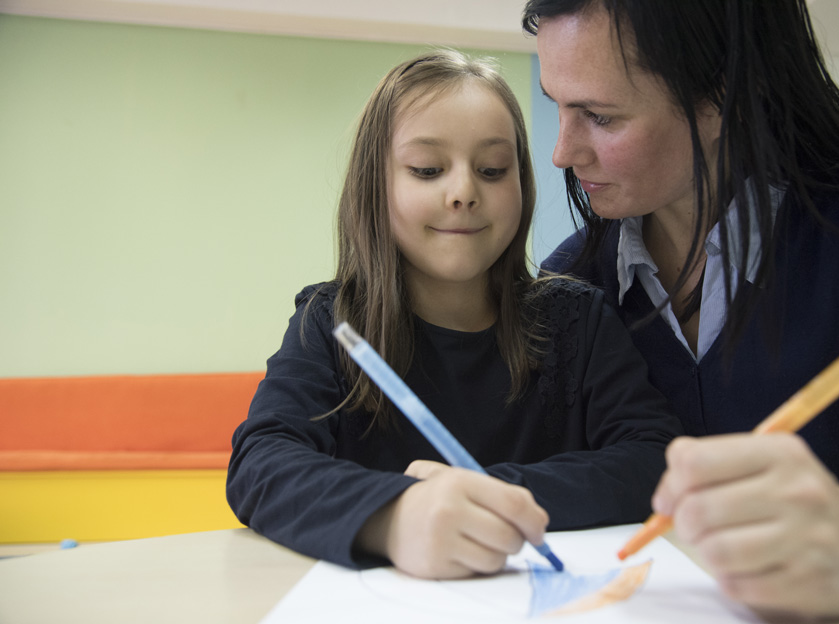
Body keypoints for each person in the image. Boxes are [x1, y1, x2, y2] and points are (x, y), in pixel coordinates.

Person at [521, 0, 839, 618]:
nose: (561, 152)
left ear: (722, 95)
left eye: (600, 116)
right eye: (556, 103)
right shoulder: (570, 284)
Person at [226, 49, 681, 580]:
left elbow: (654, 458)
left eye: (492, 169)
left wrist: (490, 494)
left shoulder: (577, 319)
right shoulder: (331, 324)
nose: (464, 192)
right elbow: (260, 465)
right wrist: (393, 516)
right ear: (376, 186)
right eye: (427, 170)